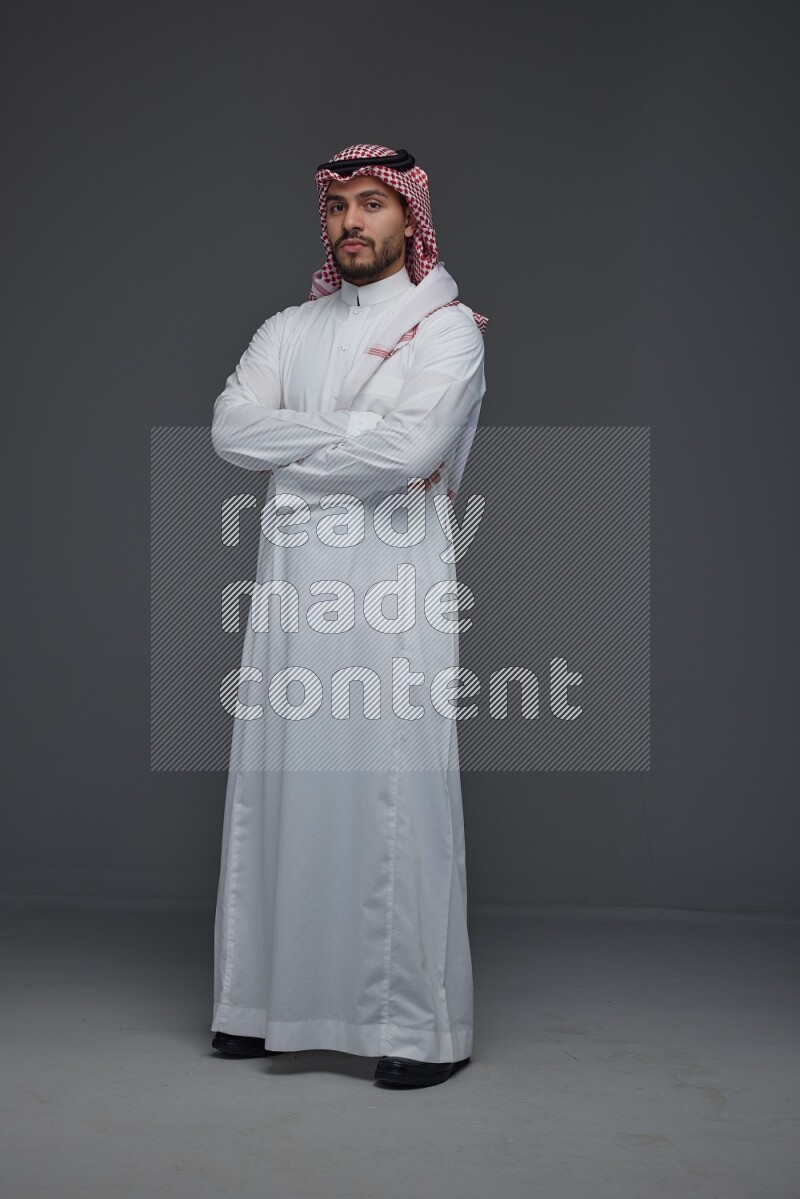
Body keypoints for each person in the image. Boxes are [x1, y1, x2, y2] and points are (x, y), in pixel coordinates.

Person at [209, 143, 487, 1088]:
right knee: (278, 780)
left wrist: (296, 458)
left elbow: (416, 447)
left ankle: (415, 1027)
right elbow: (230, 428)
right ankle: (257, 1005)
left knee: (392, 788)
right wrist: (354, 444)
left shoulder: (448, 331)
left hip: (392, 587)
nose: (351, 223)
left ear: (410, 217)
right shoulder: (287, 327)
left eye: (372, 204)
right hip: (293, 588)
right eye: (337, 209)